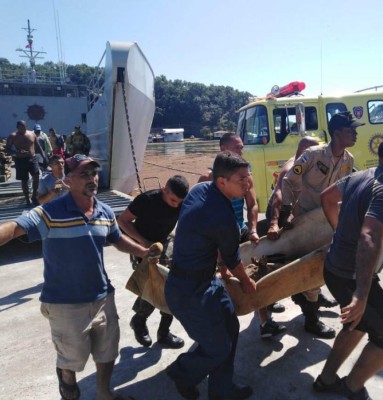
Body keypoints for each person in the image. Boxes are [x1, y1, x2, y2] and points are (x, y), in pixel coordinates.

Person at [0, 154, 150, 400]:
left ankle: (104, 393)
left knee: (107, 352)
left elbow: (116, 239)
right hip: (64, 303)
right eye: (84, 174)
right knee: (74, 357)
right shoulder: (50, 212)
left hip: (102, 296)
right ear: (68, 180)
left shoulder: (105, 211)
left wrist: (142, 250)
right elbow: (15, 227)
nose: (92, 178)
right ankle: (66, 377)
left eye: (94, 173)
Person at [314, 135, 383, 400]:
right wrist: (361, 293)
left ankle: (326, 380)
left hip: (334, 268)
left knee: (357, 325)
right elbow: (369, 237)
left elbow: (327, 197)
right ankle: (351, 387)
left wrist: (339, 231)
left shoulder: (362, 175)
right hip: (352, 277)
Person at [165, 151, 257, 400]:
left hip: (206, 280)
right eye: (241, 179)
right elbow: (233, 259)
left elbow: (204, 234)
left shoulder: (200, 189)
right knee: (218, 348)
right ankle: (181, 372)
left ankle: (221, 390)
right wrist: (248, 283)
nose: (247, 183)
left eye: (247, 177)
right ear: (222, 182)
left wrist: (220, 264)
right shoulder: (223, 216)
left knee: (231, 326)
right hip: (187, 291)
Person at [280, 111, 363, 339]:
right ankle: (311, 319)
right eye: (351, 130)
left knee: (321, 263)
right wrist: (286, 210)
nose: (355, 133)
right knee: (311, 265)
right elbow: (290, 180)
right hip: (306, 219)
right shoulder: (312, 155)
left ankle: (309, 297)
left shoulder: (349, 160)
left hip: (326, 220)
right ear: (336, 133)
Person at [199, 132, 286, 338]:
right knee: (218, 277)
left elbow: (253, 204)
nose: (241, 151)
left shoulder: (246, 173)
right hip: (216, 235)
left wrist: (254, 229)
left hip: (238, 228)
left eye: (241, 147)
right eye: (236, 148)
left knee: (259, 264)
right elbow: (200, 215)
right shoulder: (207, 178)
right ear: (223, 150)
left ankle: (264, 318)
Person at [118, 175, 189, 349]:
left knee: (172, 287)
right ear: (165, 189)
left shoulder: (181, 203)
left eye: (179, 202)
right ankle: (139, 320)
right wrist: (143, 242)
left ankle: (164, 333)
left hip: (165, 243)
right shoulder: (147, 200)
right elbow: (123, 221)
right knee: (152, 286)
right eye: (173, 200)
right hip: (142, 246)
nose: (176, 205)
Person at [262, 136, 319, 240]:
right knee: (276, 241)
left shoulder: (314, 162)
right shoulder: (290, 169)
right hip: (279, 208)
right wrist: (273, 223)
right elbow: (279, 194)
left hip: (296, 207)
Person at [5, 120, 44, 206]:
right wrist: (16, 153)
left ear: (26, 126)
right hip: (20, 160)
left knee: (36, 176)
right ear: (17, 128)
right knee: (24, 180)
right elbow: (7, 148)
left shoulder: (32, 134)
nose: (22, 129)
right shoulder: (13, 136)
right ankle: (27, 199)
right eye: (20, 127)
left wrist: (43, 156)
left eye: (24, 127)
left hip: (32, 158)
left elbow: (38, 146)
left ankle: (34, 195)